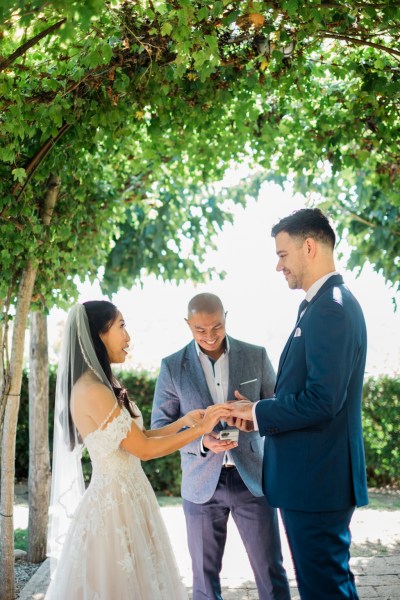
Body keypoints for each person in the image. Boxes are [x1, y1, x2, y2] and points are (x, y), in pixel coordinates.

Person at [46, 300, 232, 600]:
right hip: (113, 507)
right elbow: (143, 449)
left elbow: (139, 435)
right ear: (99, 334)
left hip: (130, 497)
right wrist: (199, 430)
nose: (128, 336)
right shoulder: (91, 389)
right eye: (121, 326)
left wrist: (183, 422)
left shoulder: (103, 383)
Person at [230, 208, 368, 600]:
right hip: (314, 480)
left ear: (309, 247)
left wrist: (259, 413)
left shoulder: (332, 309)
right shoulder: (320, 305)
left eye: (282, 254)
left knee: (324, 589)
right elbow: (312, 392)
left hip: (317, 482)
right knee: (326, 584)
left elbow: (323, 401)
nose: (278, 266)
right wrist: (255, 409)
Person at [151, 293, 291, 600]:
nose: (210, 336)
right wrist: (202, 440)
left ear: (225, 317)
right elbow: (161, 429)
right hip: (201, 485)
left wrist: (254, 413)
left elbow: (280, 409)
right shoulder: (173, 367)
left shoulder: (255, 355)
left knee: (271, 571)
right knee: (203, 579)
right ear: (187, 324)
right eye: (200, 330)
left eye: (216, 327)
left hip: (252, 480)